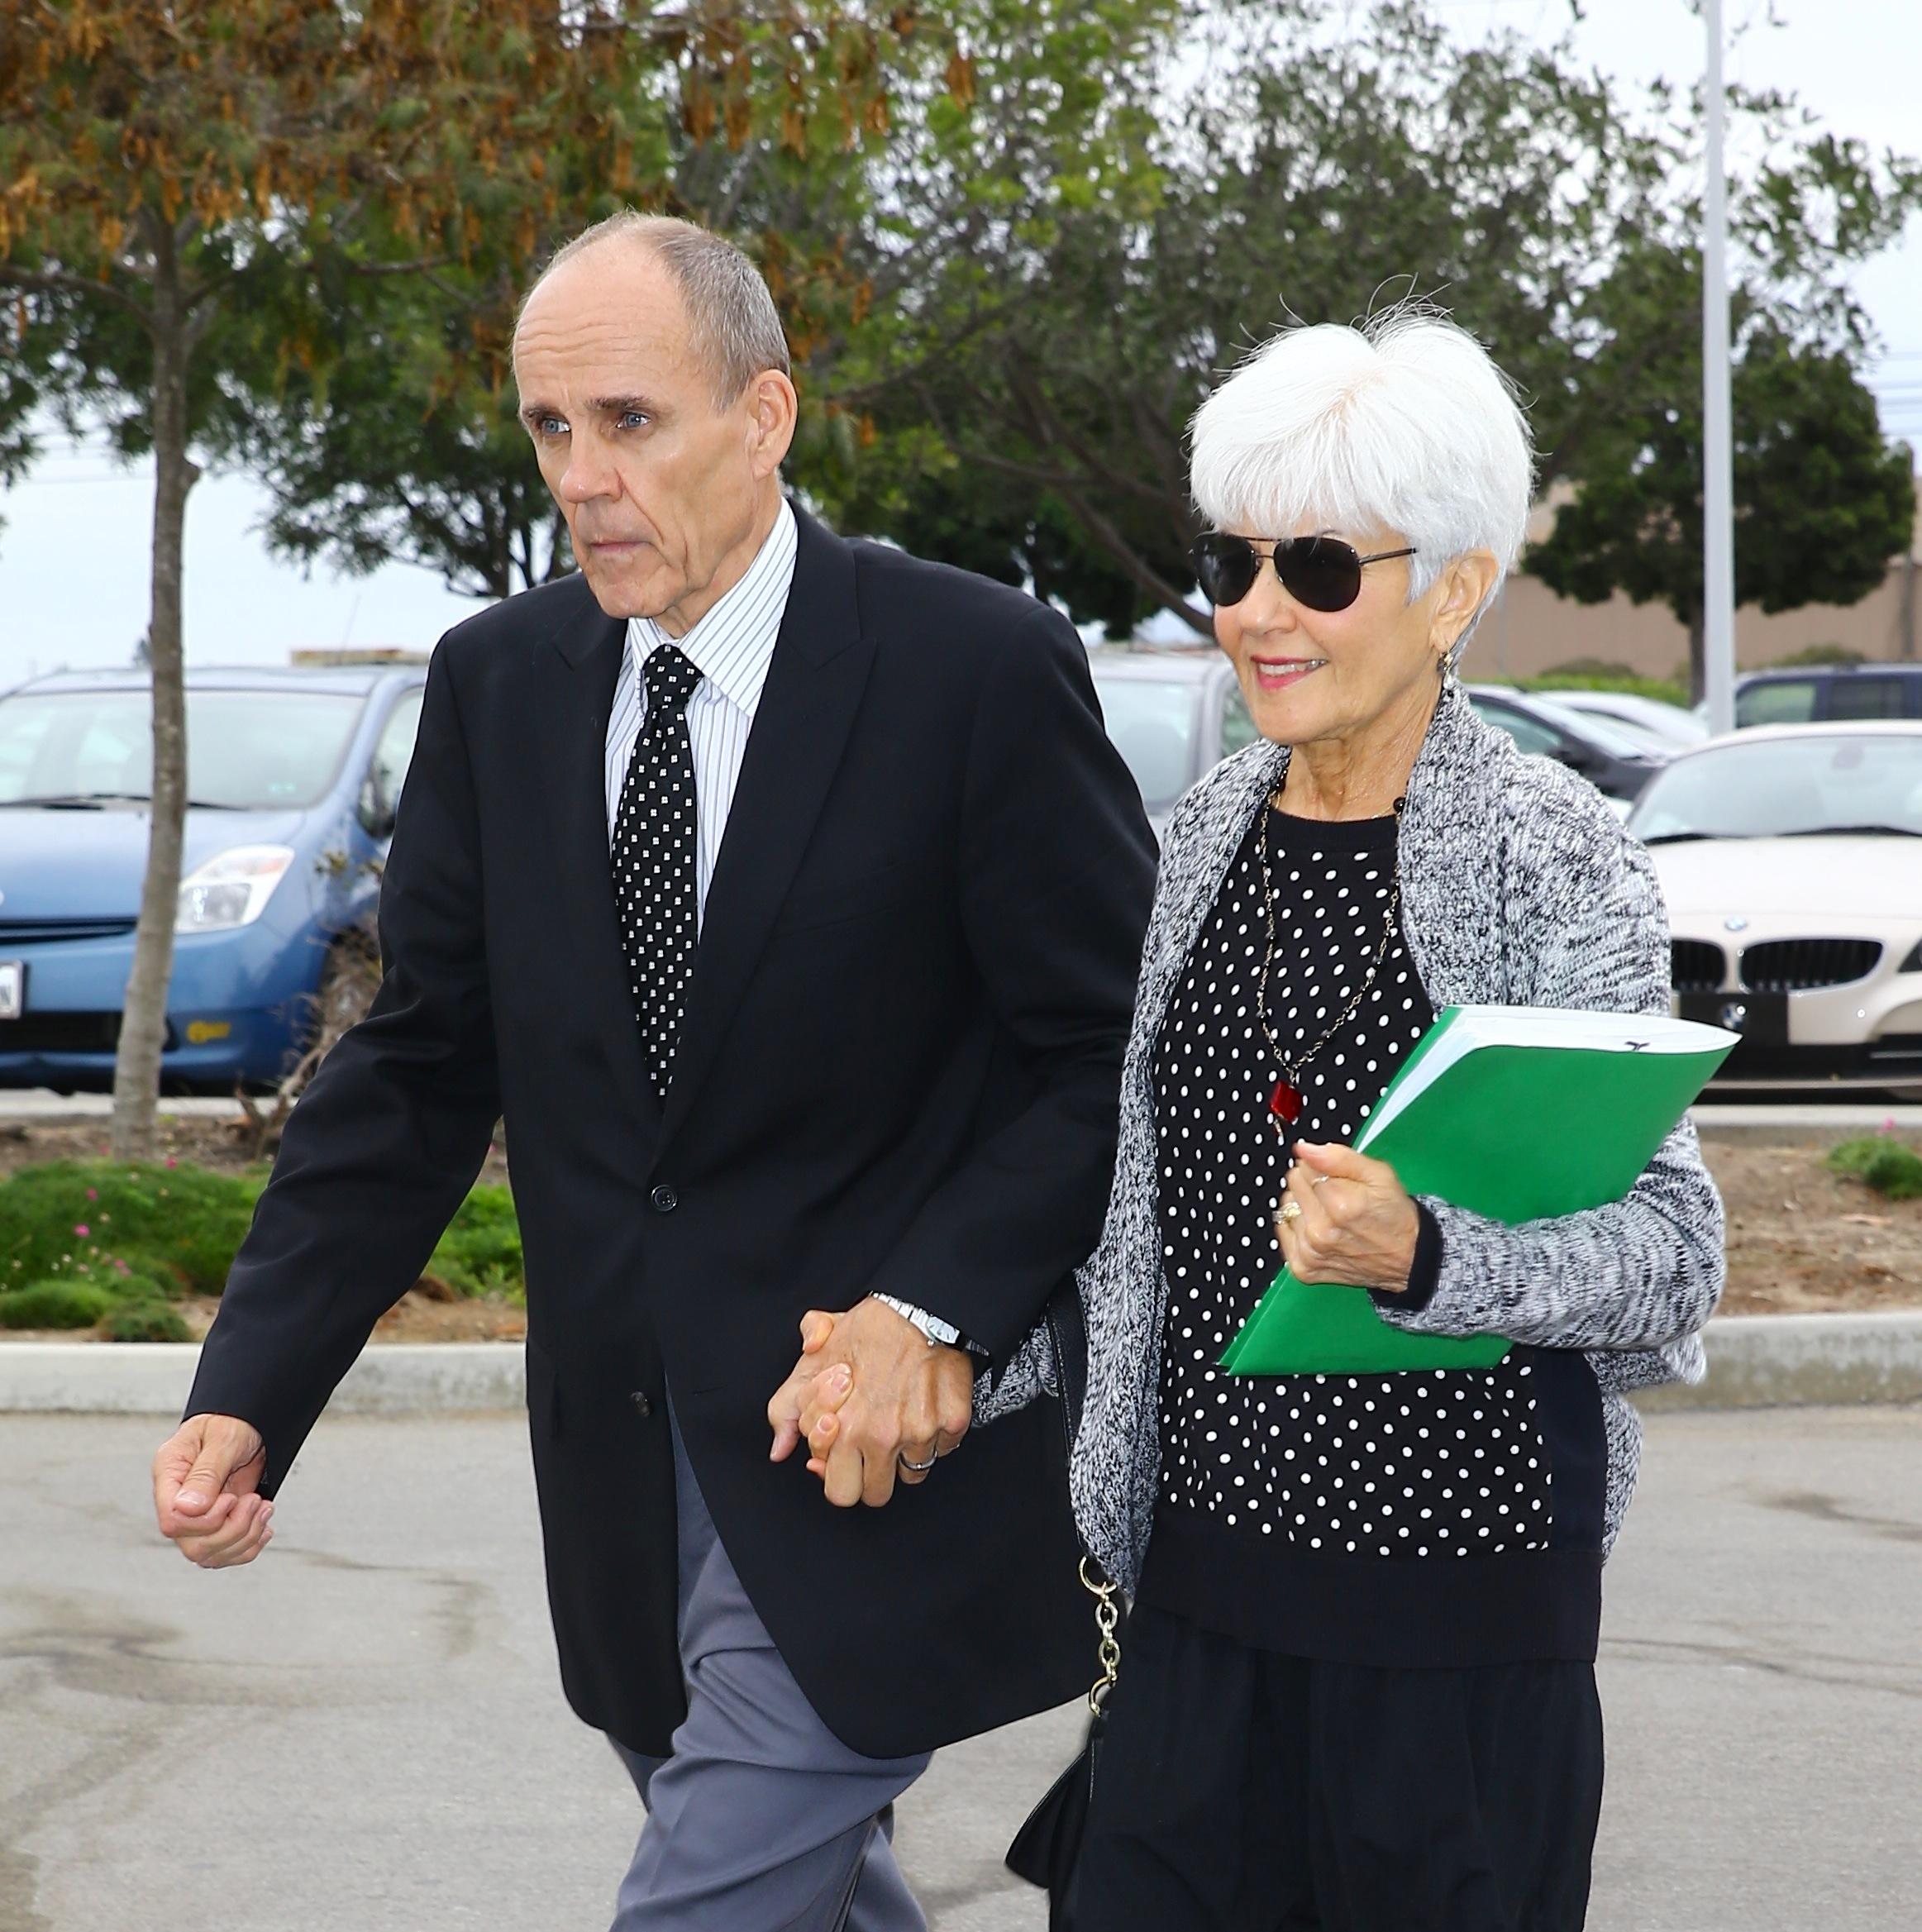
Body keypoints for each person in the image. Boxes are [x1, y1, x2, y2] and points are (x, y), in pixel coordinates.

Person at [148, 212, 1157, 1931]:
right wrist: (252, 1379)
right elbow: (415, 1068)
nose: (582, 477)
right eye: (552, 431)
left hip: (865, 1450)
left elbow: (1106, 1056)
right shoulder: (497, 685)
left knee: (700, 1904)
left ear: (761, 416)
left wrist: (933, 1306)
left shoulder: (970, 669)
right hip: (622, 1467)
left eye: (630, 421)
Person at [976, 311, 1726, 1930]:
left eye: (1315, 567)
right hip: (1187, 1622)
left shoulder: (1551, 848)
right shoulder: (1193, 839)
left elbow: (1670, 1259)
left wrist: (1427, 1249)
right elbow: (1132, 1228)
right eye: (1227, 560)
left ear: (1451, 588)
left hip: (1452, 1645)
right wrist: (940, 1352)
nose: (1255, 610)